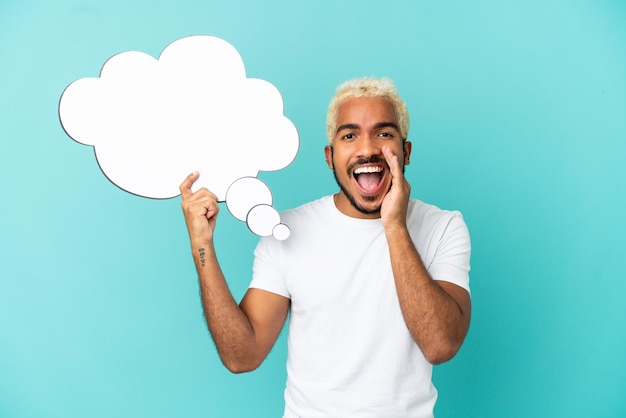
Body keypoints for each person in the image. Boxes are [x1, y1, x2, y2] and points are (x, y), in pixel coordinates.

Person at [179, 77, 471, 417]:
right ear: (330, 157)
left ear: (405, 152)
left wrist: (393, 225)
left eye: (384, 133)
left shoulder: (443, 226)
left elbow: (440, 345)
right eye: (349, 135)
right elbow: (242, 356)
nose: (366, 149)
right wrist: (203, 247)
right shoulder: (286, 230)